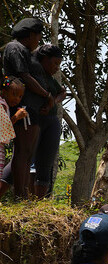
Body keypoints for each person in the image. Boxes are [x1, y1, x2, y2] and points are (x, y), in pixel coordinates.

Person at [1, 18, 51, 199]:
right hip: (25, 108)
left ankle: (22, 195)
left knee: (28, 153)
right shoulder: (15, 48)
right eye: (38, 37)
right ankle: (20, 195)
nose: (39, 41)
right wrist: (46, 95)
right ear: (30, 35)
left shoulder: (26, 51)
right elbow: (24, 75)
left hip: (33, 109)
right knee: (23, 151)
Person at [29, 44, 66, 198]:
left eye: (59, 64)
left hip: (51, 121)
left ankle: (39, 202)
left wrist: (54, 101)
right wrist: (47, 98)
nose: (57, 68)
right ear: (44, 60)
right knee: (29, 162)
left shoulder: (50, 79)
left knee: (45, 164)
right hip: (34, 121)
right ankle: (26, 198)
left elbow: (62, 92)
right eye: (55, 63)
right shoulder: (32, 76)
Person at [0, 76, 28, 175]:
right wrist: (16, 117)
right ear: (4, 92)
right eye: (14, 94)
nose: (17, 99)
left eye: (20, 96)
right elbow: (2, 129)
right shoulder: (2, 105)